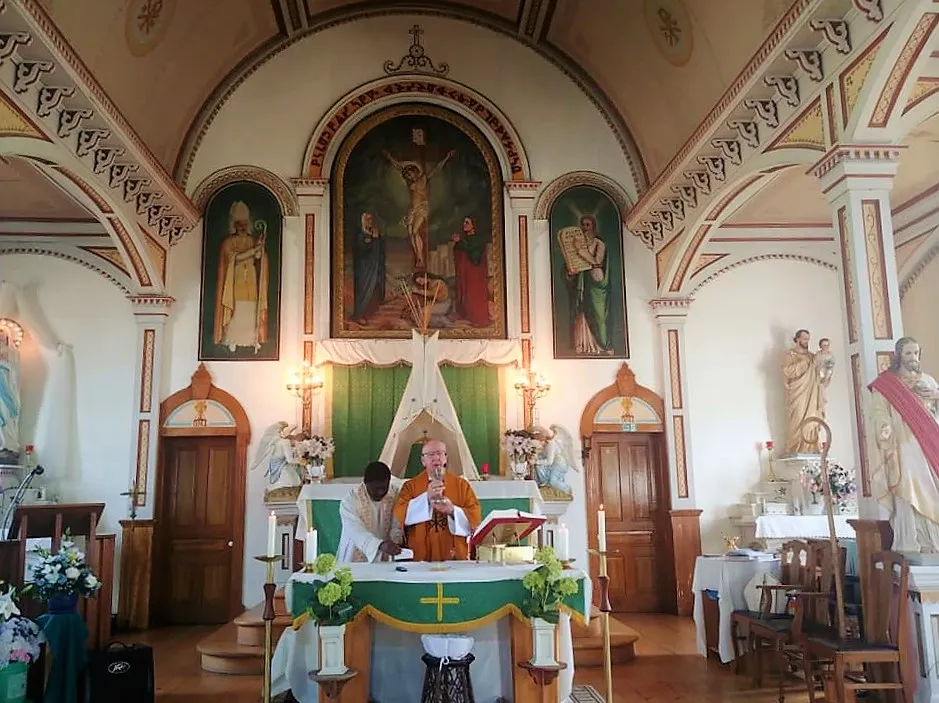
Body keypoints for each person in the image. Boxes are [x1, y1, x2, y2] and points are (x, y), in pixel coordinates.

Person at [869, 337, 939, 553]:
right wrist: (884, 427)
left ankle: (933, 540)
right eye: (908, 353)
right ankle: (911, 540)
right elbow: (879, 411)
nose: (913, 357)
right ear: (898, 355)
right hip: (904, 444)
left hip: (929, 442)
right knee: (906, 485)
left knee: (932, 488)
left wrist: (936, 397)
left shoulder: (928, 381)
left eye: (916, 353)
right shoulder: (887, 384)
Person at [393, 439, 482, 561]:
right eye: (430, 454)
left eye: (440, 453)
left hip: (454, 553)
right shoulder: (410, 486)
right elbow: (401, 514)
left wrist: (452, 511)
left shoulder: (461, 485)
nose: (436, 458)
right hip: (421, 555)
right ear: (423, 461)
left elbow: (475, 516)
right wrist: (426, 498)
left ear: (445, 458)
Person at [383, 148, 456, 270]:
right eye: (407, 175)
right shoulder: (410, 182)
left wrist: (447, 157)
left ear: (415, 171)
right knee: (411, 233)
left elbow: (437, 169)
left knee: (416, 231)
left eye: (410, 173)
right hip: (411, 209)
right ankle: (417, 256)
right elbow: (398, 166)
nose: (409, 176)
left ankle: (421, 259)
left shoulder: (423, 178)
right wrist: (389, 157)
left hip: (422, 208)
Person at [214, 200, 269, 353]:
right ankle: (233, 339)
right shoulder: (229, 242)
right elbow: (233, 258)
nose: (243, 227)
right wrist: (252, 251)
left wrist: (259, 247)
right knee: (237, 308)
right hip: (236, 277)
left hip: (250, 277)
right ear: (235, 225)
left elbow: (258, 257)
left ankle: (252, 339)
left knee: (251, 308)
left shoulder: (251, 240)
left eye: (245, 223)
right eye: (240, 224)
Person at [337, 461, 404, 563]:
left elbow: (397, 523)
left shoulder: (394, 494)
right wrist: (378, 545)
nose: (380, 492)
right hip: (356, 552)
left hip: (386, 554)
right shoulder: (351, 500)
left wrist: (396, 541)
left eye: (384, 488)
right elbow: (355, 530)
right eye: (376, 489)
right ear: (365, 483)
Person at [782, 329, 827, 453]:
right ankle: (795, 447)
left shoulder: (812, 357)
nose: (807, 341)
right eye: (804, 339)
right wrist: (803, 364)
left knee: (811, 420)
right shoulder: (790, 355)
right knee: (797, 418)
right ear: (797, 339)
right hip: (798, 393)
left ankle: (810, 448)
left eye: (808, 339)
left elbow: (821, 376)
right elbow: (787, 371)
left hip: (812, 394)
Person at [451, 216, 490, 327]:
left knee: (473, 294)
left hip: (474, 274)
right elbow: (460, 252)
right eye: (464, 222)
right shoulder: (466, 239)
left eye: (467, 222)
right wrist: (458, 244)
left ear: (474, 225)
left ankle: (477, 318)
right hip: (464, 273)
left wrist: (460, 243)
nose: (464, 224)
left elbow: (475, 254)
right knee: (464, 294)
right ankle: (466, 315)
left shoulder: (478, 239)